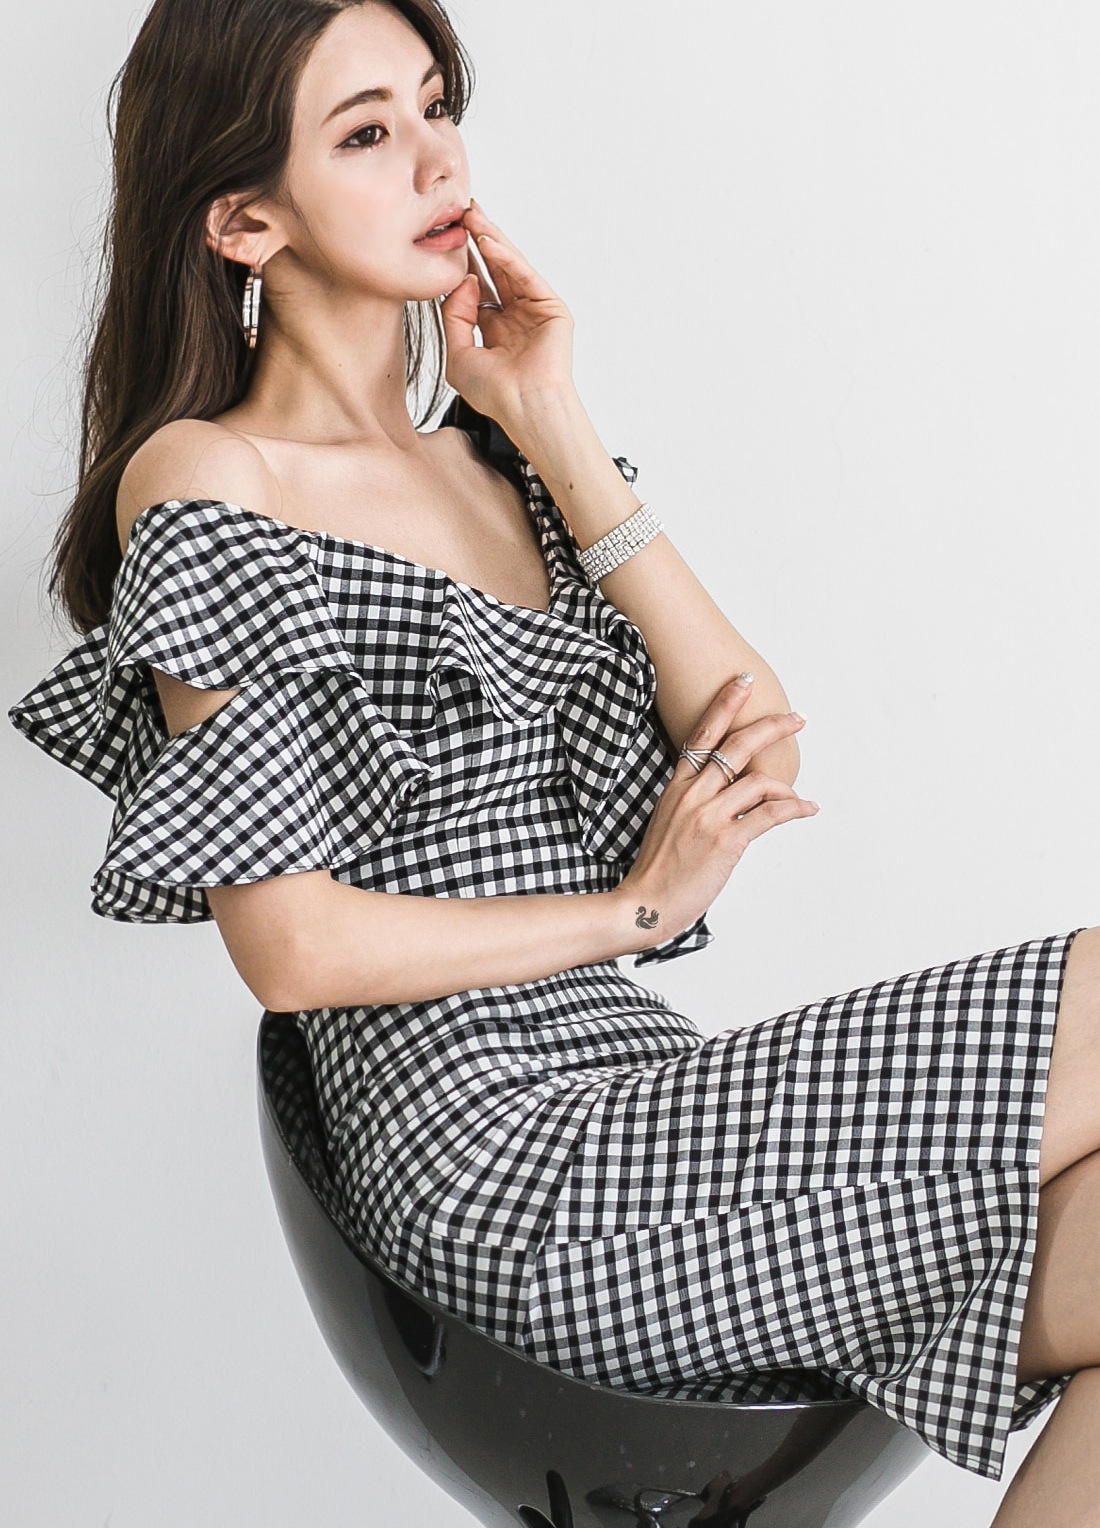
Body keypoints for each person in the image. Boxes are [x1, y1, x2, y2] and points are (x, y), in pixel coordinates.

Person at [7, 2, 1100, 1521]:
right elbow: (291, 947)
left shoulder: (500, 463)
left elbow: (749, 728)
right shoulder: (213, 480)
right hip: (489, 1147)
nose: (436, 159)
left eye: (436, 106)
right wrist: (630, 912)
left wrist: (552, 418)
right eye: (367, 133)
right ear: (246, 221)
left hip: (637, 1082)